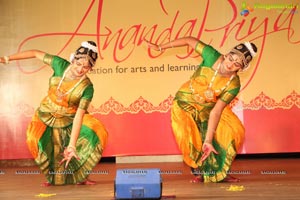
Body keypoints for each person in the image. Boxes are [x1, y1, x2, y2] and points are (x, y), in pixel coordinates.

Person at [145, 37, 257, 183]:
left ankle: (219, 172)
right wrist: (161, 47)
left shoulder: (233, 84)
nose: (230, 64)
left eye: (237, 64)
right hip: (186, 102)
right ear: (226, 55)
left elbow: (216, 112)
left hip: (209, 107)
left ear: (241, 68)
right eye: (231, 58)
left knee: (232, 130)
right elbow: (189, 40)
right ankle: (200, 172)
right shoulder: (211, 56)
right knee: (188, 135)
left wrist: (209, 140)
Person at [0, 41, 108, 186]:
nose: (80, 69)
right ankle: (53, 177)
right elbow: (34, 53)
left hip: (70, 117)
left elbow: (78, 116)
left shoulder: (87, 87)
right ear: (73, 59)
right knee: (37, 141)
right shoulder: (59, 65)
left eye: (86, 67)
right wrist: (7, 59)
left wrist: (71, 145)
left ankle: (80, 176)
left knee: (96, 133)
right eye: (78, 64)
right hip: (47, 112)